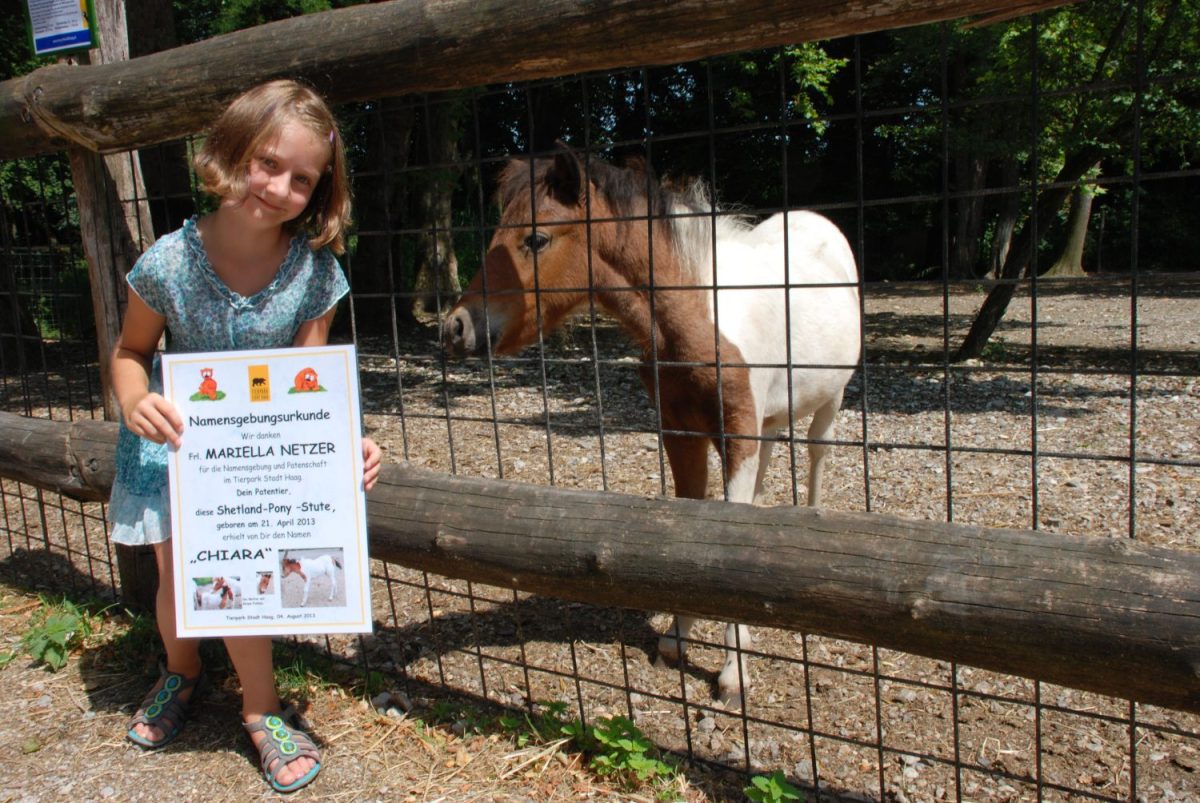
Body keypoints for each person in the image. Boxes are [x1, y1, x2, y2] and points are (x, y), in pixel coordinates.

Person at [108, 79, 381, 794]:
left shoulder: (315, 272)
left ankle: (260, 708)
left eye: (302, 178)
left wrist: (346, 444)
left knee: (251, 578)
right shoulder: (167, 263)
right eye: (267, 162)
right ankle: (182, 669)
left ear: (319, 190)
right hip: (180, 451)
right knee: (179, 579)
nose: (280, 186)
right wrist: (137, 401)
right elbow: (129, 353)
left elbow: (310, 385)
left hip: (263, 464)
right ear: (229, 151)